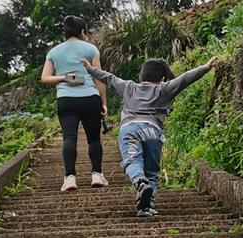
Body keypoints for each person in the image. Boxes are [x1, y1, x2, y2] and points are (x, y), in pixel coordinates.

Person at [81, 55, 216, 216]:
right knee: (152, 172)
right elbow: (184, 79)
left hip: (129, 129)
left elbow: (109, 78)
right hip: (152, 131)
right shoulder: (163, 89)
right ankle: (145, 207)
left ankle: (139, 180)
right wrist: (205, 67)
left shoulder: (129, 87)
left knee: (132, 161)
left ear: (140, 77)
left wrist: (90, 69)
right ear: (163, 78)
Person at [41, 15, 109, 192]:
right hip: (89, 98)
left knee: (69, 138)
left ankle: (70, 178)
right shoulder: (90, 49)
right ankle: (96, 175)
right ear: (82, 31)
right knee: (94, 138)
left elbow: (45, 78)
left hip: (66, 100)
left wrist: (63, 78)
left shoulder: (54, 52)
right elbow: (99, 77)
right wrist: (103, 102)